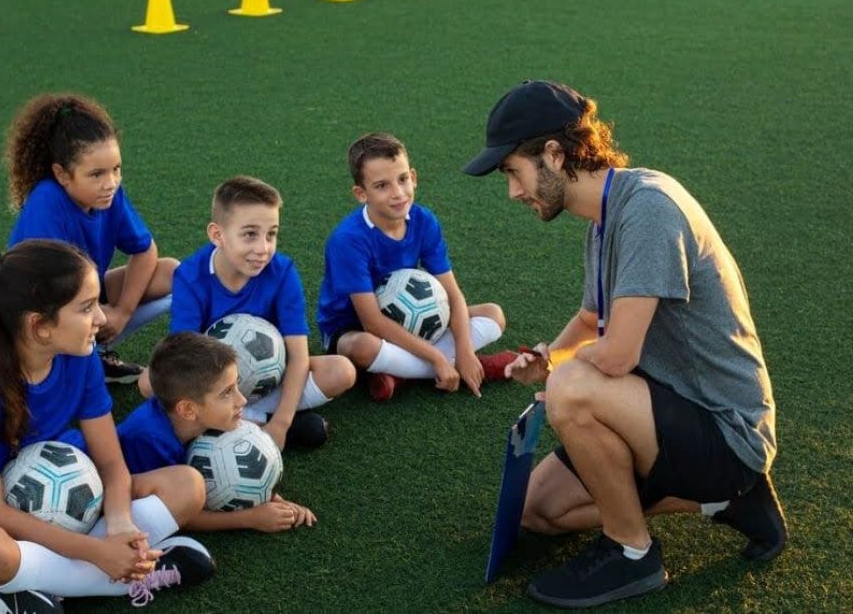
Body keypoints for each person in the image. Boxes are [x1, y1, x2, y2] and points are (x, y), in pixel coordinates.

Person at [463, 80, 787, 608]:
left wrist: (564, 379)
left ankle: (633, 552)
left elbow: (617, 356)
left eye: (513, 172)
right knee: (536, 509)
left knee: (574, 387)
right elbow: (591, 318)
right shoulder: (604, 218)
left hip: (726, 432)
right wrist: (549, 359)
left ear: (554, 154)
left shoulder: (648, 209)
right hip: (666, 415)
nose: (514, 192)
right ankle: (724, 502)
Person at [0, 240, 213, 612]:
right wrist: (97, 551)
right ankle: (122, 581)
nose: (101, 318)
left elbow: (109, 461)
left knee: (188, 486)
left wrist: (120, 524)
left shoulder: (80, 354)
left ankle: (33, 584)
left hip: (71, 493)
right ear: (40, 326)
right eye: (86, 307)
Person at [138, 176, 355, 449]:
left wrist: (282, 423)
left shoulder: (282, 272)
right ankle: (254, 423)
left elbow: (299, 356)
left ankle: (242, 424)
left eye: (271, 234)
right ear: (217, 235)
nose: (263, 249)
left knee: (341, 371)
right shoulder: (191, 277)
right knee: (148, 383)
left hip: (272, 379)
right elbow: (184, 359)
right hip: (212, 384)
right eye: (250, 234)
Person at [316, 132, 518, 402]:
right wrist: (437, 357)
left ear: (413, 177)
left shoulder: (423, 221)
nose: (398, 193)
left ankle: (402, 373)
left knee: (494, 314)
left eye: (402, 179)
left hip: (411, 319)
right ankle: (480, 367)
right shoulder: (347, 240)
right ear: (361, 193)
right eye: (382, 186)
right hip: (354, 328)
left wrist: (465, 351)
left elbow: (453, 295)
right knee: (361, 347)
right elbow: (372, 322)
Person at [5, 93, 178, 385]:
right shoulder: (46, 201)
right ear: (62, 174)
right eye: (96, 174)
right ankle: (67, 364)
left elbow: (146, 251)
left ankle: (94, 353)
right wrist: (94, 312)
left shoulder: (110, 196)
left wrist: (121, 312)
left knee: (171, 272)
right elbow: (48, 288)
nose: (110, 183)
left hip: (84, 297)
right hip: (43, 309)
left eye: (116, 169)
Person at [87, 332, 318, 533]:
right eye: (227, 393)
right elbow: (179, 511)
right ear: (188, 410)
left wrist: (273, 499)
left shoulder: (197, 419)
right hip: (89, 487)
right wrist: (250, 518)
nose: (242, 400)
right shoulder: (150, 440)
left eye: (236, 386)